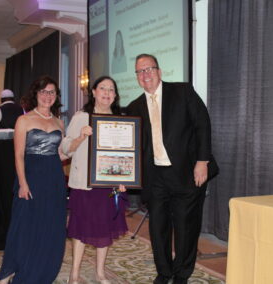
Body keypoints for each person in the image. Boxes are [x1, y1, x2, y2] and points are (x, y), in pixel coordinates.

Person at [126, 54, 212, 284]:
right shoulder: (134, 107)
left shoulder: (182, 92)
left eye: (149, 69)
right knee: (158, 228)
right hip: (154, 177)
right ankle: (164, 273)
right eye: (140, 71)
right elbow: (131, 147)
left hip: (186, 172)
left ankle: (182, 274)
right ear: (136, 77)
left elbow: (202, 124)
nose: (145, 74)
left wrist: (202, 161)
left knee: (186, 227)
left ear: (159, 71)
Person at [0, 76, 67, 284]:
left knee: (50, 226)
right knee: (24, 226)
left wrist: (82, 142)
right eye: (44, 92)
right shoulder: (24, 120)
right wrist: (23, 183)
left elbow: (62, 154)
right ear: (35, 94)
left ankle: (41, 272)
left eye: (52, 92)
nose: (48, 96)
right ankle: (9, 272)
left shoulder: (59, 122)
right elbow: (18, 155)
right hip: (31, 176)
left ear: (56, 96)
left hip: (54, 177)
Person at [62, 76, 128, 284]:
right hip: (85, 183)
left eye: (111, 89)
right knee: (80, 228)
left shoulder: (121, 120)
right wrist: (81, 136)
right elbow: (65, 150)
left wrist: (126, 177)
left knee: (105, 227)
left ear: (115, 95)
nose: (107, 93)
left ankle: (100, 273)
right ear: (93, 92)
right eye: (102, 88)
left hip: (109, 184)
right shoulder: (81, 117)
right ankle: (74, 274)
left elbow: (126, 154)